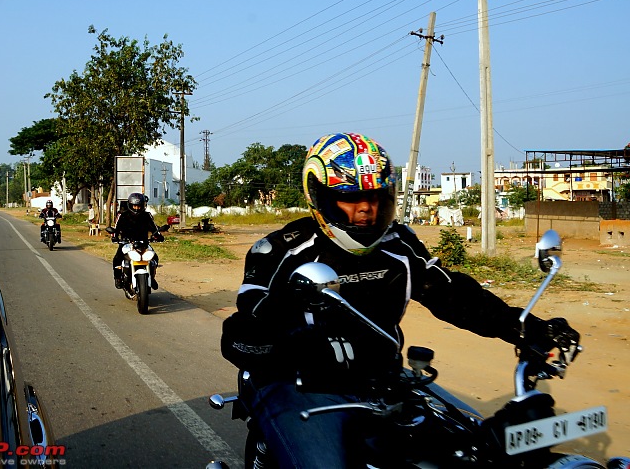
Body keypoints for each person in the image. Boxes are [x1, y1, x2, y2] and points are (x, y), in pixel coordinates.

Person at [220, 132, 580, 468]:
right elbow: (240, 335)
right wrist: (294, 341)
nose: (366, 209)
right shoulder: (282, 251)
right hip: (297, 386)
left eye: (375, 198)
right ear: (320, 197)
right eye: (351, 198)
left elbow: (452, 295)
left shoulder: (399, 246)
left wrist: (527, 327)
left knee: (474, 452)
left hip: (383, 380)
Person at [111, 192, 163, 293]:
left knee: (155, 258)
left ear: (143, 205)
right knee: (117, 259)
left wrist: (158, 236)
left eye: (139, 206)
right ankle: (117, 278)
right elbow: (116, 229)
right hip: (126, 243)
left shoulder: (147, 216)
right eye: (134, 205)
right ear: (130, 205)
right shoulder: (122, 215)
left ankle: (151, 277)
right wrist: (115, 237)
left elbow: (154, 228)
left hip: (143, 242)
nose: (137, 208)